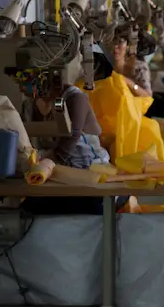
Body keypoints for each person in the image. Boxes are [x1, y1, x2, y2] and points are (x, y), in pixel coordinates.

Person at [7, 66, 111, 215]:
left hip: (89, 174)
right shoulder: (30, 105)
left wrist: (40, 160)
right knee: (26, 215)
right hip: (58, 175)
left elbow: (69, 141)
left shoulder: (76, 98)